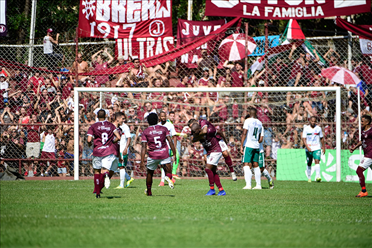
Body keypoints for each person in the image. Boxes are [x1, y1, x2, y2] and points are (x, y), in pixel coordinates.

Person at [87, 109, 121, 198]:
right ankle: (106, 174)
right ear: (106, 116)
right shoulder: (111, 125)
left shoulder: (93, 126)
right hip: (108, 151)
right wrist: (112, 142)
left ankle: (97, 193)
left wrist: (91, 144)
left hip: (97, 151)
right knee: (104, 170)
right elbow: (118, 137)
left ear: (97, 116)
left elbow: (89, 140)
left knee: (97, 172)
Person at [140, 113, 176, 196]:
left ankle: (149, 191)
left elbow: (144, 147)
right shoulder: (164, 129)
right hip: (164, 153)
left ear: (148, 121)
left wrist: (142, 161)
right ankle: (168, 176)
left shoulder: (146, 131)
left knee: (150, 173)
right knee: (168, 171)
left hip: (153, 155)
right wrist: (174, 153)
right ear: (157, 120)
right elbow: (170, 141)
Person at [190, 119, 226, 196]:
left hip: (216, 150)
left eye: (195, 132)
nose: (194, 134)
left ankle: (212, 189)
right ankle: (221, 190)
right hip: (210, 152)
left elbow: (218, 132)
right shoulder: (198, 134)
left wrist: (225, 141)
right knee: (213, 172)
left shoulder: (208, 131)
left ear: (199, 129)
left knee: (207, 168)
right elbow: (192, 140)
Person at [240, 108, 264, 190]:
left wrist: (241, 145)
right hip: (256, 145)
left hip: (249, 145)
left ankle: (248, 184)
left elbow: (244, 133)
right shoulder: (260, 123)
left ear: (249, 113)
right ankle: (258, 185)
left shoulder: (247, 121)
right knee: (255, 165)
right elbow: (260, 138)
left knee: (246, 164)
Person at [349, 115, 372, 197]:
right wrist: (354, 148)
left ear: (367, 122)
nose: (361, 123)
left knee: (359, 170)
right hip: (367, 154)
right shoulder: (363, 130)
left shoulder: (371, 131)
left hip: (370, 154)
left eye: (362, 121)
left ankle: (364, 191)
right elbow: (361, 141)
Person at [302, 116, 325, 183]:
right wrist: (307, 147)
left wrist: (323, 147)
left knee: (317, 161)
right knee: (309, 163)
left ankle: (318, 177)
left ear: (316, 122)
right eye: (312, 121)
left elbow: (321, 138)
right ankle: (309, 177)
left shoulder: (318, 129)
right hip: (308, 148)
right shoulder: (306, 129)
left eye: (314, 121)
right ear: (310, 121)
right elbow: (304, 139)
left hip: (317, 147)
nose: (313, 122)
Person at [158, 112, 177, 186]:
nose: (163, 117)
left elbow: (174, 137)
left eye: (164, 116)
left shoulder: (170, 125)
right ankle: (170, 177)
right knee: (162, 164)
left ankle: (162, 181)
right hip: (159, 148)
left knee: (165, 163)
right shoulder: (158, 126)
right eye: (161, 116)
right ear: (159, 117)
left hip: (167, 147)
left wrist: (174, 148)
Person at [115, 112, 134, 189]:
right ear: (118, 119)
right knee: (118, 166)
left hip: (122, 149)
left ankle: (121, 185)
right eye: (122, 118)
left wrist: (126, 148)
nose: (124, 120)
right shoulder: (114, 126)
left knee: (121, 166)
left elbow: (129, 138)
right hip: (116, 149)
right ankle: (129, 178)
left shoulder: (125, 127)